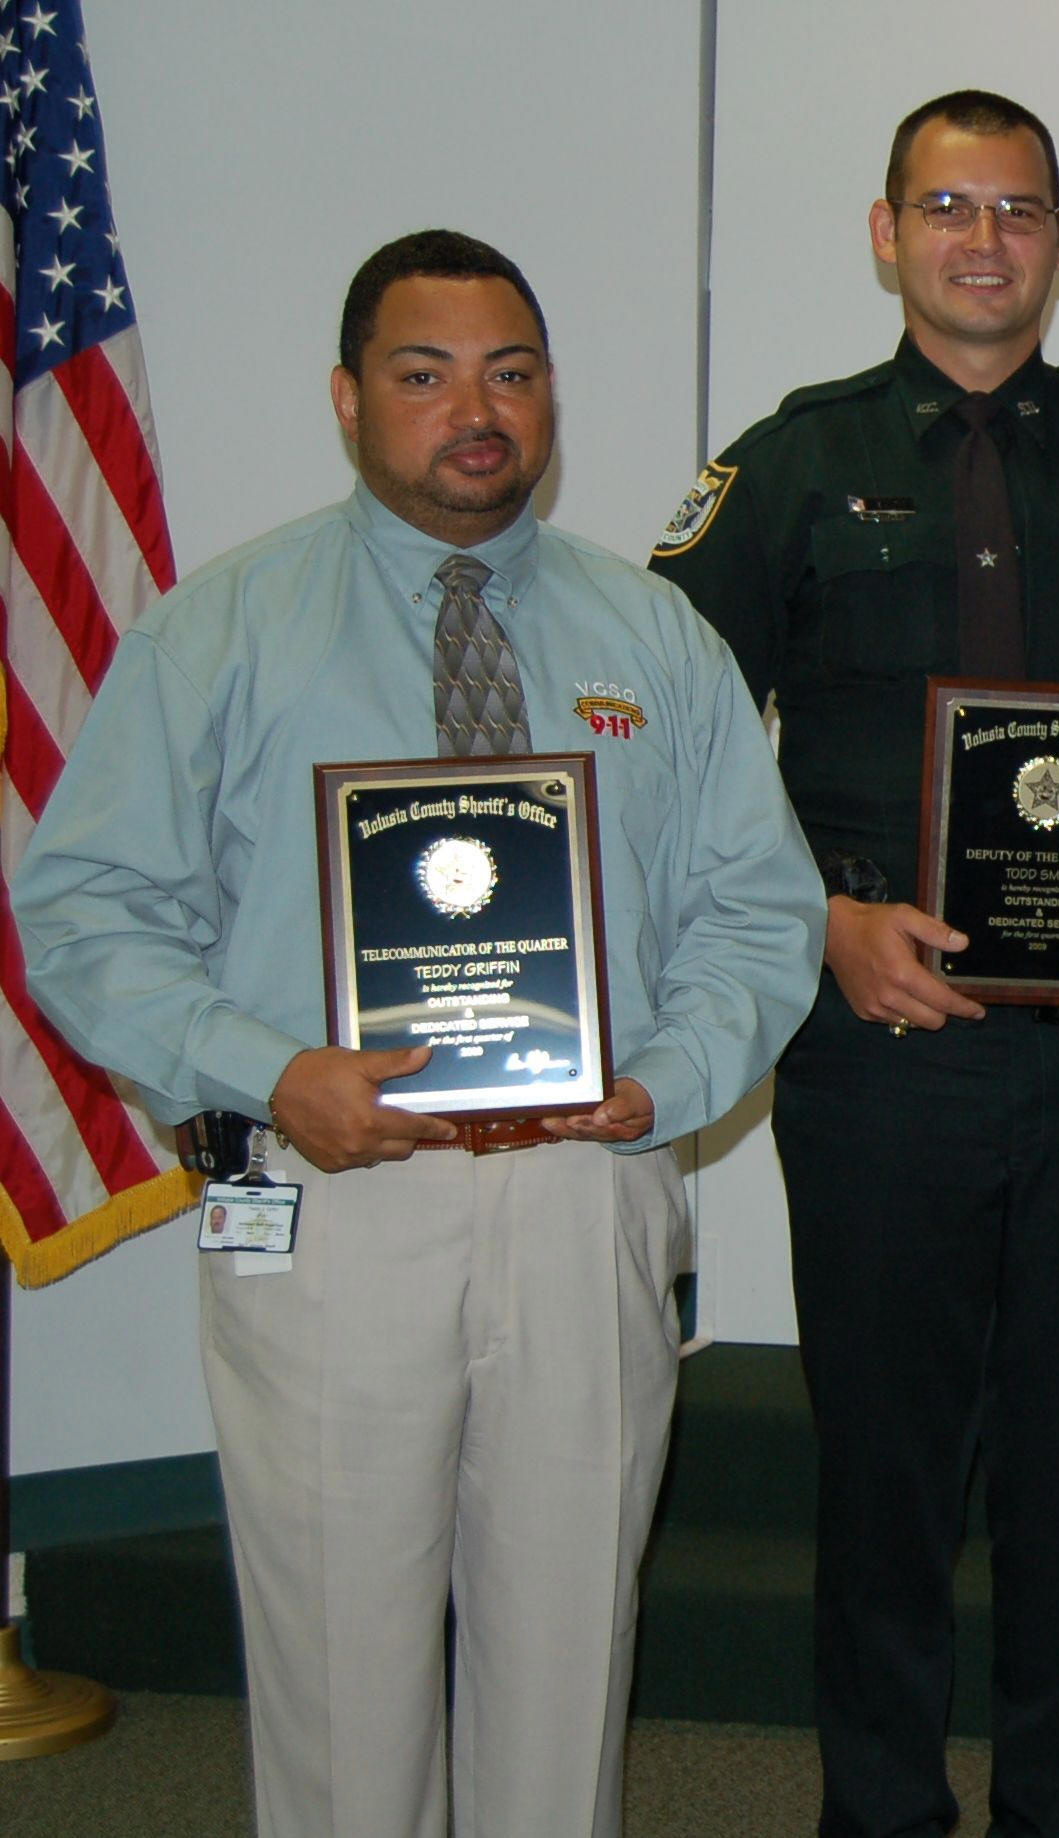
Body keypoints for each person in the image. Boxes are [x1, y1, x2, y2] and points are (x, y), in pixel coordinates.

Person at [9, 229, 825, 1837]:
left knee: (569, 1640)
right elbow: (83, 908)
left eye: (511, 373)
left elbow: (761, 910)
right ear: (346, 397)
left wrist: (664, 1079)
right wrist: (268, 1069)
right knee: (338, 1663)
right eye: (426, 371)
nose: (478, 409)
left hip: (586, 1190)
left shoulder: (654, 637)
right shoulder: (221, 629)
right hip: (333, 1199)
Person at [646, 89, 1059, 1838]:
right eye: (946, 207)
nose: (983, 240)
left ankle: (1052, 1811)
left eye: (1017, 210)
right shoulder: (789, 464)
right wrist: (814, 925)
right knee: (882, 1472)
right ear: (886, 236)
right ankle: (878, 1812)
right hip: (883, 1047)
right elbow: (659, 735)